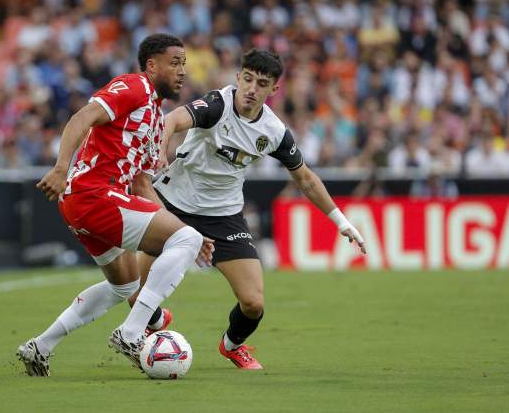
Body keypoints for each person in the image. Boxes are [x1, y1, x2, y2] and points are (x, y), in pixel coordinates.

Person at [131, 49, 367, 370]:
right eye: (248, 79)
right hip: (173, 204)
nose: (252, 89)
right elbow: (172, 120)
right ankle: (156, 320)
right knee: (134, 290)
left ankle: (232, 346)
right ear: (238, 78)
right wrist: (159, 152)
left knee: (253, 303)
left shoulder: (274, 132)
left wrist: (340, 220)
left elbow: (306, 180)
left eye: (262, 83)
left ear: (274, 90)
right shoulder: (217, 105)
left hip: (224, 215)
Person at [16, 34, 214, 377]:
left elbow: (140, 184)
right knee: (186, 239)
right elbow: (83, 117)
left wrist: (182, 230)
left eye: (184, 63)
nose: (183, 71)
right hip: (94, 194)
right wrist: (61, 166)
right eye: (175, 62)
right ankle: (132, 333)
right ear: (151, 65)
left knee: (124, 285)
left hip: (87, 202)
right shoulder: (134, 86)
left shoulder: (154, 116)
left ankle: (40, 347)